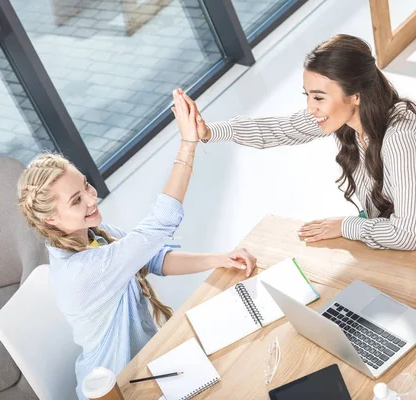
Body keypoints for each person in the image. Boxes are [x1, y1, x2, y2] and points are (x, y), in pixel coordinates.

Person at [17, 89, 257, 399]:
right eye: (77, 201)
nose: (92, 199)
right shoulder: (81, 271)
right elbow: (159, 226)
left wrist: (220, 259)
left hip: (148, 363)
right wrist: (187, 145)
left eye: (86, 186)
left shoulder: (93, 233)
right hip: (121, 386)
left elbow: (152, 258)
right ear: (51, 220)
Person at [180, 34, 416, 255]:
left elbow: (408, 234)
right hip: (389, 240)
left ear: (355, 94)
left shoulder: (399, 139)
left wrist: (346, 226)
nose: (310, 107)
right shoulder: (346, 118)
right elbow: (280, 129)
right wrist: (208, 131)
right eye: (307, 95)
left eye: (318, 97)